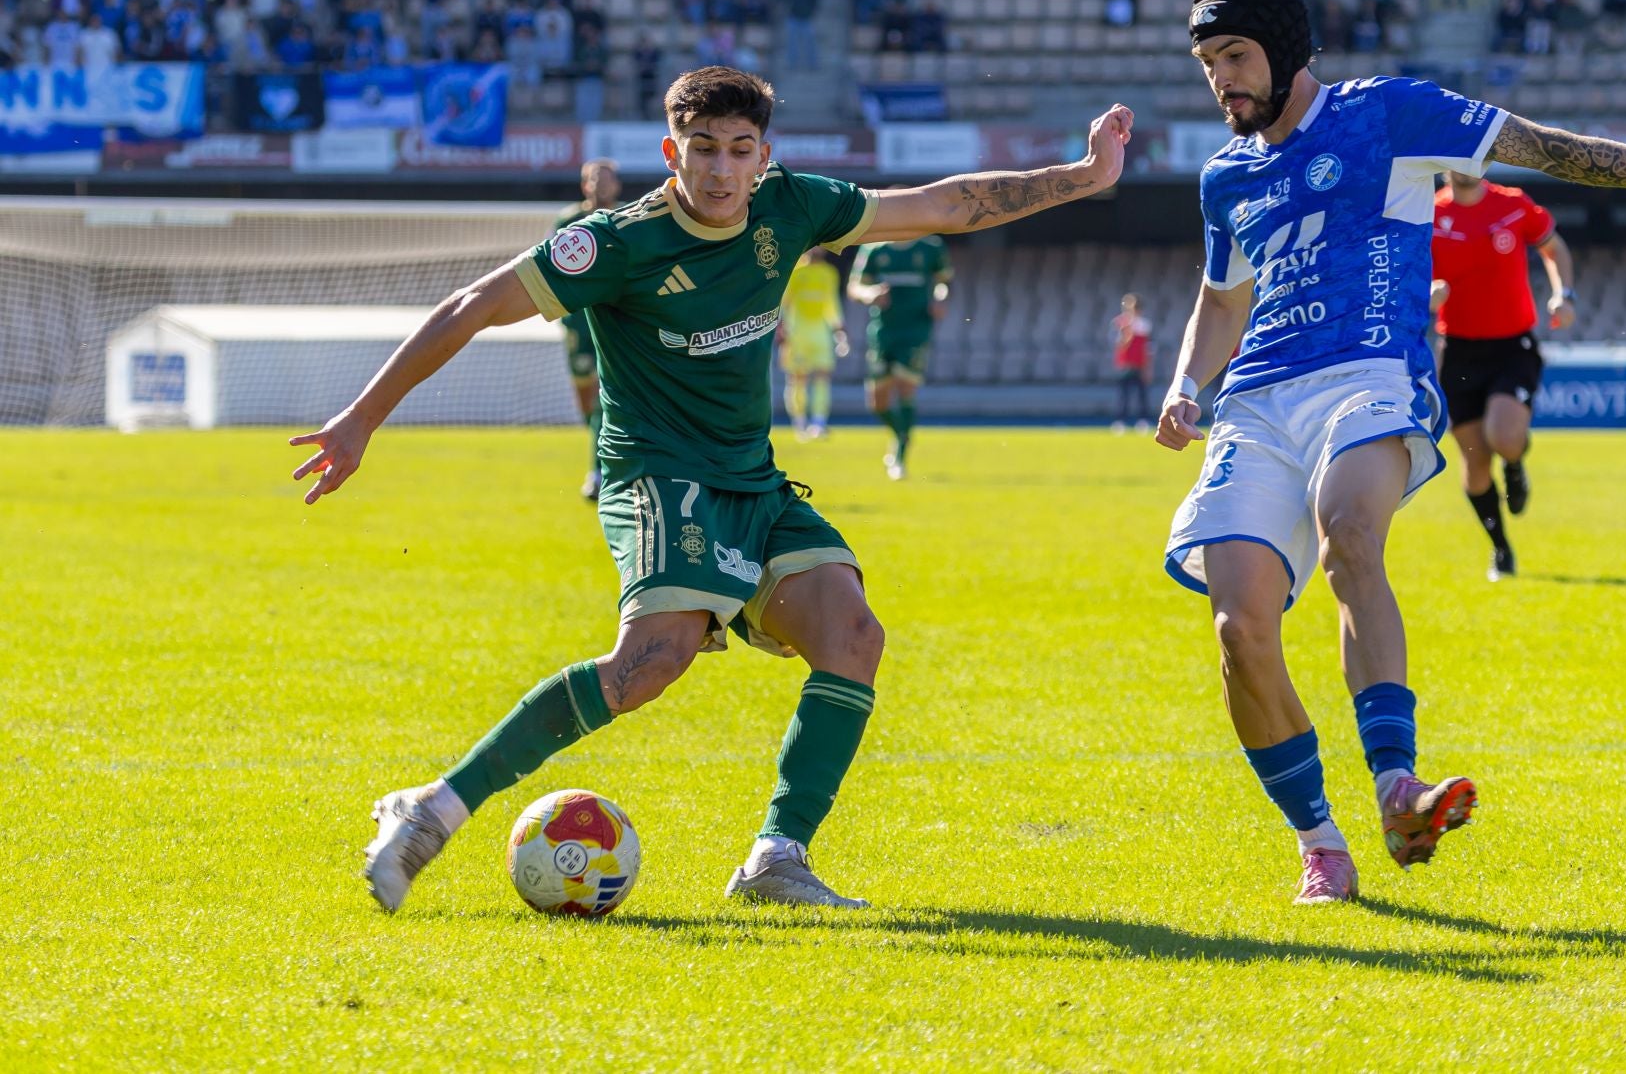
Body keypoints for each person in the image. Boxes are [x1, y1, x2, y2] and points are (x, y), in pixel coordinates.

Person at [293, 67, 1133, 914]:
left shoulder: (793, 206)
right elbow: (474, 304)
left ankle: (778, 856)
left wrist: (1084, 178)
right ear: (672, 152)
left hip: (752, 480)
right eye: (703, 150)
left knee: (852, 634)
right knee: (652, 663)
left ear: (763, 158)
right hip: (657, 477)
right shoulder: (616, 243)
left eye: (739, 151)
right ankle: (433, 808)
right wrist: (361, 420)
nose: (721, 170)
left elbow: (946, 204)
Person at [1158, 0, 1626, 907]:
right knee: (1239, 630)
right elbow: (1221, 300)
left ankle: (1395, 785)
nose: (1223, 79)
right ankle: (1321, 844)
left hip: (1369, 375)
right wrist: (1183, 385)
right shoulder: (1224, 178)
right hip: (1257, 401)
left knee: (1349, 534)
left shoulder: (1391, 114)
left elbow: (1551, 147)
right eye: (1209, 62)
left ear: (1287, 50)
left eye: (1237, 55)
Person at [1430, 169, 1575, 581]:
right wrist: (1426, 293)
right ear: (1445, 163)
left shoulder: (1512, 203)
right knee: (1474, 466)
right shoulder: (1429, 213)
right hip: (1458, 351)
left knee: (1505, 437)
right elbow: (1408, 273)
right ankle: (1500, 549)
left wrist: (1564, 294)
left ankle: (1515, 464)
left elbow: (1554, 249)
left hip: (1513, 346)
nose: (1467, 164)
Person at [849, 232, 952, 480]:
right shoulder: (874, 249)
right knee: (877, 401)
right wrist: (870, 294)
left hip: (916, 330)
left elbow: (944, 281)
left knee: (906, 387)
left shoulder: (930, 247)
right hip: (883, 331)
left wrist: (940, 298)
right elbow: (854, 287)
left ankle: (900, 457)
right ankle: (901, 434)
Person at [554, 157, 623, 499]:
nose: (601, 184)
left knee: (602, 399)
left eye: (607, 178)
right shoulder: (569, 221)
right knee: (587, 403)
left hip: (615, 323)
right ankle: (599, 452)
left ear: (617, 185)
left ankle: (598, 473)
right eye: (595, 178)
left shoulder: (627, 218)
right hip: (579, 324)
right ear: (585, 185)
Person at [780, 246, 849, 439]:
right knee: (798, 379)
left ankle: (818, 423)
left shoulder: (829, 273)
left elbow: (831, 302)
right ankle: (799, 423)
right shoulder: (795, 271)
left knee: (822, 377)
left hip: (821, 333)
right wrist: (781, 328)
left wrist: (839, 327)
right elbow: (784, 302)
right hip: (797, 333)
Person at [1111, 293, 1153, 432]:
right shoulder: (1119, 323)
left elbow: (1148, 348)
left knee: (1142, 394)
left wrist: (1148, 368)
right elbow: (1118, 344)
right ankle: (1121, 421)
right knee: (1124, 394)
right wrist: (1126, 334)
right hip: (1125, 364)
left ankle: (1143, 420)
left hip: (1140, 364)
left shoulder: (1144, 325)